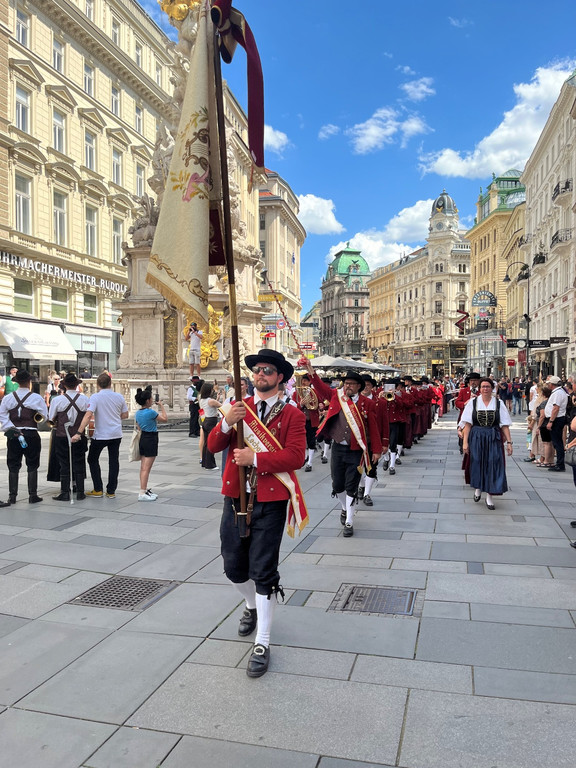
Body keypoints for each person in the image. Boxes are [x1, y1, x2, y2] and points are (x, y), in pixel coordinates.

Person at [207, 349, 307, 678]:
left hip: (271, 500)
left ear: (280, 377)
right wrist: (226, 422)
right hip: (236, 497)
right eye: (256, 370)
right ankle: (251, 605)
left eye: (267, 370)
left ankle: (262, 641)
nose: (259, 374)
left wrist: (257, 459)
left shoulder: (292, 415)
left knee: (263, 569)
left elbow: (295, 456)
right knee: (234, 567)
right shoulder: (241, 409)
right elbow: (212, 447)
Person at [304, 360, 381, 537]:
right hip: (338, 448)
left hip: (356, 450)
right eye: (346, 383)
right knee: (338, 485)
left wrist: (376, 449)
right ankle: (345, 508)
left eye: (351, 384)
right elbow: (320, 387)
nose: (347, 387)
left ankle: (349, 521)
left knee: (351, 485)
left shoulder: (366, 404)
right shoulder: (335, 396)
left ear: (358, 386)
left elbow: (374, 428)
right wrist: (310, 370)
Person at [71, 372, 128, 498]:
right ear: (110, 384)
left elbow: (88, 415)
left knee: (92, 459)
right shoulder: (119, 397)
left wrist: (79, 432)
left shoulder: (95, 397)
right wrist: (113, 416)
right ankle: (111, 490)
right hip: (116, 433)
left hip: (101, 434)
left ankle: (98, 488)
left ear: (97, 385)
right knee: (114, 461)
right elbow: (125, 415)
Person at [461, 377, 513, 510]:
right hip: (477, 436)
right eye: (483, 387)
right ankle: (478, 488)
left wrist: (509, 442)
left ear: (492, 389)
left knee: (493, 464)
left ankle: (490, 496)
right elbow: (467, 424)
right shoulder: (473, 403)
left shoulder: (498, 403)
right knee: (477, 462)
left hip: (493, 436)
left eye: (488, 387)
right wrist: (465, 443)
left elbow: (505, 425)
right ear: (479, 389)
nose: (485, 389)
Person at [0, 369, 48, 504]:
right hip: (31, 433)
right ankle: (33, 495)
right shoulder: (36, 398)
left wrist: (12, 428)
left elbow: (2, 415)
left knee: (13, 465)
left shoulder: (8, 398)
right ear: (29, 382)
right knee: (32, 464)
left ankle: (12, 496)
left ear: (17, 383)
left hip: (14, 434)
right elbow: (44, 417)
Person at [48, 373, 89, 501]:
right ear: (77, 385)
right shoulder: (85, 400)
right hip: (79, 435)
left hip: (61, 436)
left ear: (64, 385)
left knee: (64, 463)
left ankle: (65, 492)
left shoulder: (57, 400)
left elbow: (51, 418)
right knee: (79, 461)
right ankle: (80, 492)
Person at [357, 374, 389, 506]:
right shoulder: (354, 402)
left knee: (372, 467)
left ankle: (367, 494)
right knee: (357, 467)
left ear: (372, 387)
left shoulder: (380, 402)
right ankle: (361, 485)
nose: (365, 388)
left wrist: (385, 442)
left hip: (373, 440)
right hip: (358, 440)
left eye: (368, 385)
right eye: (363, 385)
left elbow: (385, 423)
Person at [134, 386, 167, 501]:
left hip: (143, 438)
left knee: (143, 466)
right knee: (146, 468)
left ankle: (144, 489)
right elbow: (164, 419)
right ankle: (142, 492)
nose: (152, 399)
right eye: (151, 398)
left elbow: (138, 426)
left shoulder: (138, 413)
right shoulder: (151, 412)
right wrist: (161, 406)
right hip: (151, 438)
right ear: (148, 401)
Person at [292, 373, 320, 471]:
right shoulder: (296, 394)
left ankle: (310, 463)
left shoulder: (314, 392)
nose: (303, 382)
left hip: (311, 420)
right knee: (302, 441)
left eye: (305, 381)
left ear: (309, 382)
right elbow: (293, 407)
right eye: (302, 380)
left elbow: (319, 403)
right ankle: (303, 458)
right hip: (300, 421)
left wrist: (319, 405)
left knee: (311, 441)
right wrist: (301, 404)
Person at [544, 375, 569, 472]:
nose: (548, 385)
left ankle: (560, 464)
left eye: (549, 383)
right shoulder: (558, 392)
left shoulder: (558, 393)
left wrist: (551, 421)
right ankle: (559, 463)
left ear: (552, 384)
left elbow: (556, 408)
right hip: (557, 419)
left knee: (557, 442)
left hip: (557, 420)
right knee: (556, 442)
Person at [199, 381, 220, 471]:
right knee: (211, 443)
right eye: (212, 390)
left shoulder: (202, 400)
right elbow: (221, 406)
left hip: (206, 420)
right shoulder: (210, 401)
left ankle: (204, 462)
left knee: (206, 443)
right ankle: (210, 464)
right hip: (211, 421)